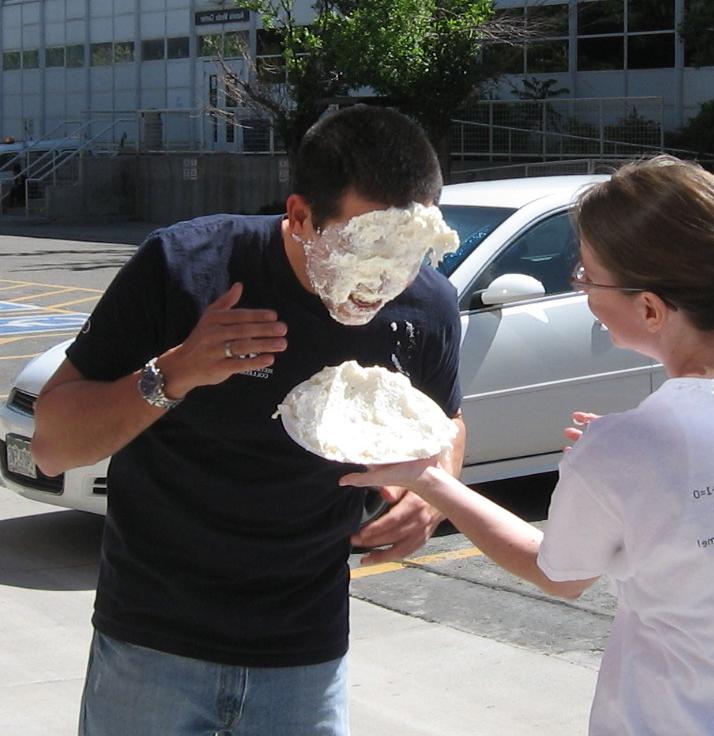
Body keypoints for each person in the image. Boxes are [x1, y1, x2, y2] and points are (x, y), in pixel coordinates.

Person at [341, 155, 714, 735]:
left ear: (651, 308)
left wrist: (430, 481)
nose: (580, 289)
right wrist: (624, 464)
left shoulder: (630, 448)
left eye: (584, 276)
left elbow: (560, 574)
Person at [32, 104, 466, 736]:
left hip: (306, 654)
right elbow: (49, 445)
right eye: (361, 250)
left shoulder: (425, 306)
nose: (381, 286)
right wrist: (173, 374)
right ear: (298, 216)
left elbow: (448, 420)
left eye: (406, 258)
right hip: (153, 642)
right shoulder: (184, 268)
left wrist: (433, 496)